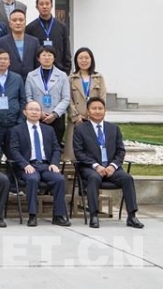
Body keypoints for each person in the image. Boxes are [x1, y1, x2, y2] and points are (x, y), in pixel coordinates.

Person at [73, 97, 144, 229]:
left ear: (105, 110)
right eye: (94, 108)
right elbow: (79, 153)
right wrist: (96, 166)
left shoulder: (113, 128)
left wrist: (113, 166)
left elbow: (120, 151)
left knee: (127, 178)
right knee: (94, 178)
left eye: (100, 108)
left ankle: (132, 216)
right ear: (88, 111)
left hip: (111, 169)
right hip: (91, 168)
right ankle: (94, 215)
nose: (97, 111)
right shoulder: (80, 129)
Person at [10, 101, 71, 227]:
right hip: (28, 166)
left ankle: (58, 215)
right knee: (33, 179)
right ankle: (32, 215)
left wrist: (54, 163)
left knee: (59, 179)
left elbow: (56, 149)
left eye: (37, 110)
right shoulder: (17, 130)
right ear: (25, 112)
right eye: (31, 109)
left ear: (41, 112)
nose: (34, 112)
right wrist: (25, 165)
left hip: (46, 165)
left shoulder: (48, 129)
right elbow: (14, 151)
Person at [25, 46, 70, 148]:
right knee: (39, 146)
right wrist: (38, 112)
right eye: (44, 55)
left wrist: (55, 114)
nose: (47, 58)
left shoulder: (62, 75)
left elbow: (66, 98)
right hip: (37, 117)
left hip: (57, 117)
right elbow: (28, 96)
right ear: (38, 58)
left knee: (55, 147)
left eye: (50, 55)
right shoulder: (31, 75)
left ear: (54, 58)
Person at [66, 47, 107, 162]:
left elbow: (102, 97)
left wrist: (96, 114)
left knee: (94, 151)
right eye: (80, 58)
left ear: (91, 59)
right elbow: (68, 99)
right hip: (76, 120)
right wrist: (76, 116)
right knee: (74, 153)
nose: (84, 61)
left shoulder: (98, 77)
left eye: (86, 58)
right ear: (76, 60)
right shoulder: (71, 78)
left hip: (94, 118)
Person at [26, 0, 72, 74]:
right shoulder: (30, 28)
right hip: (37, 71)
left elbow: (66, 50)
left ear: (52, 6)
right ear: (36, 7)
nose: (44, 6)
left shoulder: (62, 27)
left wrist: (67, 70)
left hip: (59, 69)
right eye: (41, 4)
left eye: (47, 4)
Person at [0, 9, 39, 80]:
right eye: (14, 20)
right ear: (10, 23)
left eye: (21, 20)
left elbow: (37, 64)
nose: (18, 23)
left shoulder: (34, 41)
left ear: (25, 22)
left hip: (30, 80)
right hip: (10, 81)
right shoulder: (2, 42)